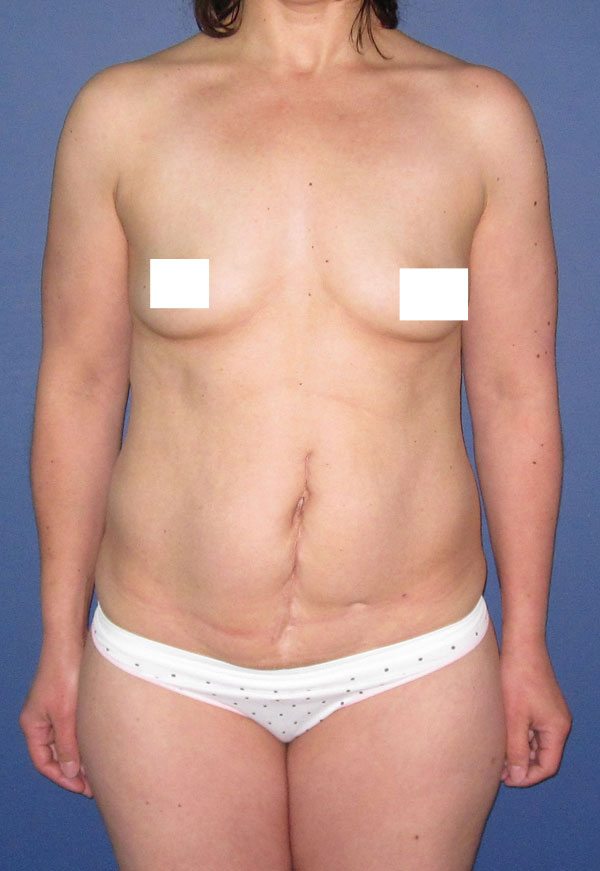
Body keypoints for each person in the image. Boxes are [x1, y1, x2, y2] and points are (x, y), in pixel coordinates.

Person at [20, 0, 573, 868]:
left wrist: (528, 640)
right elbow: (79, 386)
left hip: (411, 657)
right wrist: (59, 641)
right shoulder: (123, 115)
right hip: (167, 659)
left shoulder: (477, 119)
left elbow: (514, 392)